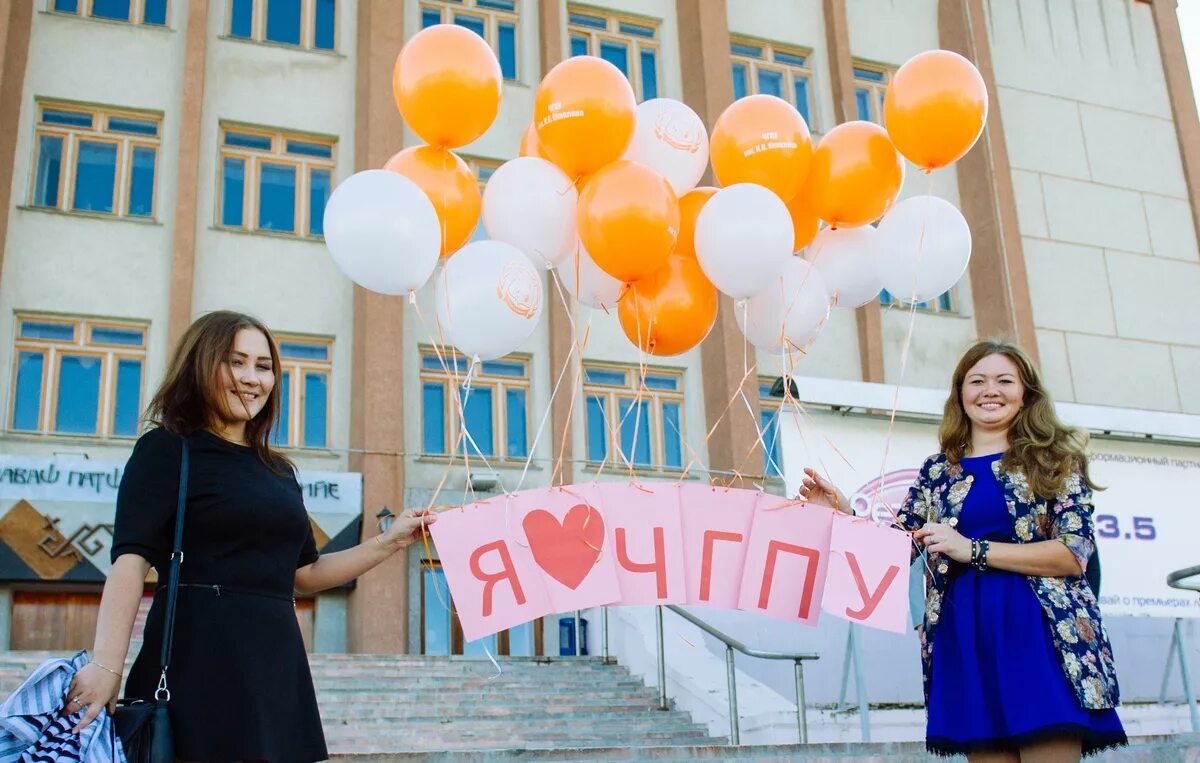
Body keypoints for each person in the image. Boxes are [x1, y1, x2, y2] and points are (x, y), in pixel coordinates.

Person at [63, 311, 435, 762]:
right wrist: (106, 666)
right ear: (201, 364)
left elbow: (306, 573)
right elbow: (130, 562)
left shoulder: (279, 472)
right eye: (236, 362)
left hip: (277, 667)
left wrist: (390, 541)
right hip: (198, 663)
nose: (251, 378)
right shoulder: (167, 448)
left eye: (263, 366)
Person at [800, 340, 1126, 761]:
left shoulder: (1055, 459)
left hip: (1041, 635)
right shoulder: (938, 470)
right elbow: (898, 548)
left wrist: (972, 550)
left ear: (1025, 394)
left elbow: (1072, 554)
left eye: (1004, 380)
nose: (990, 390)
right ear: (960, 394)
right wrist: (842, 515)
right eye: (977, 381)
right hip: (964, 637)